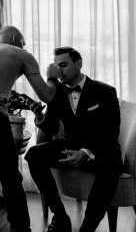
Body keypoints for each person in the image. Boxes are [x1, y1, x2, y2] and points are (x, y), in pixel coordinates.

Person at [25, 47, 122, 232]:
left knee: (111, 164)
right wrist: (38, 116)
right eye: (56, 66)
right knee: (34, 154)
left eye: (63, 65)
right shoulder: (57, 92)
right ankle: (61, 217)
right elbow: (52, 127)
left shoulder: (105, 92)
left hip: (100, 149)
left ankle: (87, 228)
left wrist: (85, 152)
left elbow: (110, 132)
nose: (58, 71)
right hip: (69, 145)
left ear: (78, 65)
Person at [0, 26, 58, 232]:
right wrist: (52, 76)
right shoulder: (22, 54)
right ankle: (20, 230)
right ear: (15, 39)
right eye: (23, 42)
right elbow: (46, 95)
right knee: (10, 178)